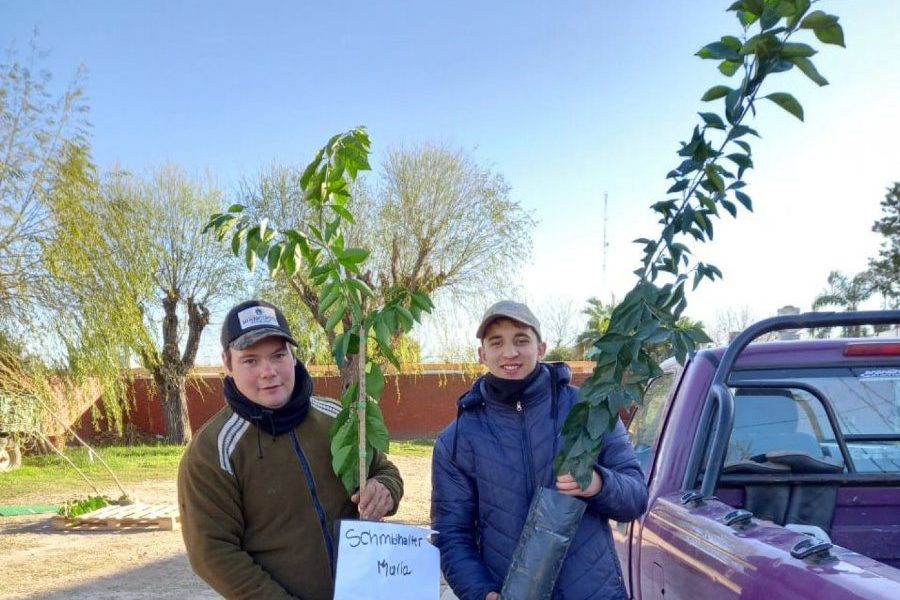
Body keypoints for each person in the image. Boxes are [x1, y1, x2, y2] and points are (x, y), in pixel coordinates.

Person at [178, 299, 403, 600]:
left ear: (293, 357)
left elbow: (384, 471)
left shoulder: (337, 417)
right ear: (227, 363)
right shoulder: (212, 452)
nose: (268, 371)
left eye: (278, 355)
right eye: (250, 360)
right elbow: (213, 553)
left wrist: (384, 489)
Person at [431, 300, 648, 600]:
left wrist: (598, 483)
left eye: (521, 340)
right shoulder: (457, 440)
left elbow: (636, 497)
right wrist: (481, 592)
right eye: (497, 343)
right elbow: (452, 534)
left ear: (542, 348)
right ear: (482, 354)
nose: (510, 352)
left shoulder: (589, 411)